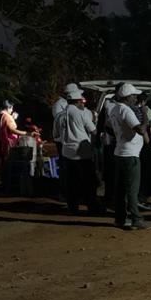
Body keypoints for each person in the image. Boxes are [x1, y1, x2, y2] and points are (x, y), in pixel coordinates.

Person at [110, 83, 151, 230]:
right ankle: (136, 218)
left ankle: (120, 219)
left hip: (120, 152)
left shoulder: (115, 109)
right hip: (130, 154)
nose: (135, 98)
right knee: (132, 190)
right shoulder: (126, 110)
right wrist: (145, 115)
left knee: (120, 189)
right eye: (133, 95)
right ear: (127, 97)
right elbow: (140, 130)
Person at [57, 84, 101, 215]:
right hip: (82, 153)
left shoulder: (60, 115)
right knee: (89, 182)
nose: (83, 101)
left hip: (67, 152)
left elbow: (56, 134)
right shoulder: (81, 114)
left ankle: (72, 207)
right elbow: (94, 131)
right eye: (81, 100)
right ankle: (92, 206)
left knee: (71, 182)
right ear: (77, 101)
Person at [0, 100, 30, 169]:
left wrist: (12, 117)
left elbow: (3, 126)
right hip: (5, 143)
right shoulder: (7, 116)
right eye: (12, 108)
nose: (12, 110)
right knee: (7, 163)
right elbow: (12, 130)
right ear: (8, 107)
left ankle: (0, 171)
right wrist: (26, 133)